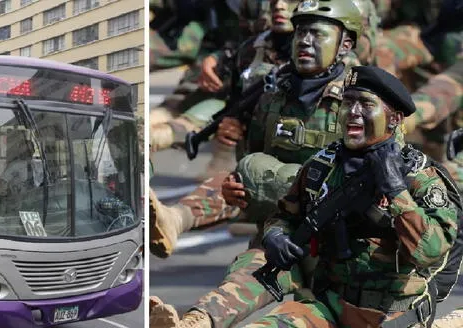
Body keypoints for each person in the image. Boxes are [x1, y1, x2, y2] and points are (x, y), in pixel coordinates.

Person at [150, 65, 458, 328]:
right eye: (347, 103)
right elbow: (284, 216)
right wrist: (275, 236)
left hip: (391, 324)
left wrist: (396, 190)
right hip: (330, 310)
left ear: (394, 118)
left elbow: (431, 251)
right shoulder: (323, 166)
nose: (352, 112)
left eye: (365, 104)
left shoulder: (421, 178)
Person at [150, 0, 363, 257]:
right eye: (272, 2)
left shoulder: (355, 83)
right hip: (277, 185)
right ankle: (176, 218)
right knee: (244, 180)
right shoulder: (254, 50)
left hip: (331, 202)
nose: (279, 6)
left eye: (290, 1)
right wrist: (235, 125)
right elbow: (245, 117)